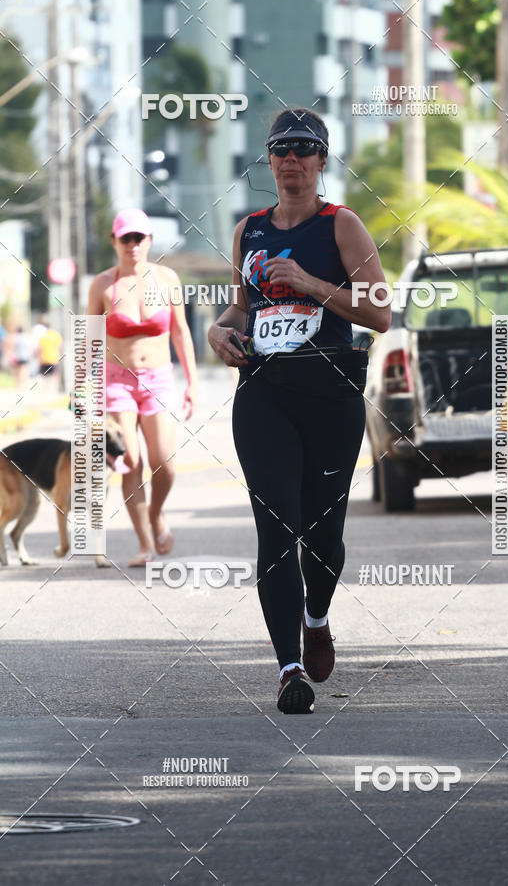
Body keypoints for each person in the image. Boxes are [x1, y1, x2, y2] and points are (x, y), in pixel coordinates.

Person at [208, 108, 390, 713]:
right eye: (281, 149)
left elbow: (380, 314)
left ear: (321, 160)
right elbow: (241, 308)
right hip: (264, 393)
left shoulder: (341, 226)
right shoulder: (249, 231)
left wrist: (311, 284)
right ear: (269, 159)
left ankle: (317, 617)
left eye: (304, 149)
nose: (292, 159)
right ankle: (289, 669)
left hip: (330, 393)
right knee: (276, 527)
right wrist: (219, 332)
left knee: (323, 535)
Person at [87, 208, 198, 566]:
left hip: (158, 379)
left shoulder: (167, 280)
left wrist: (192, 383)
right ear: (114, 242)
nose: (133, 245)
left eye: (139, 238)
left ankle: (156, 513)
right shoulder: (102, 284)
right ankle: (145, 543)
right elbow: (88, 341)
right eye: (126, 238)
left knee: (164, 463)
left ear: (149, 241)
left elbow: (180, 332)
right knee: (129, 460)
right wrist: (83, 393)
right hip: (116, 381)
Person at [38, 322, 63, 388]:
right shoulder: (56, 335)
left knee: (45, 374)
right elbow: (59, 346)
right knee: (56, 373)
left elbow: (40, 348)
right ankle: (56, 387)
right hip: (54, 358)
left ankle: (46, 388)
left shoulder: (43, 336)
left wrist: (39, 358)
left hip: (44, 358)